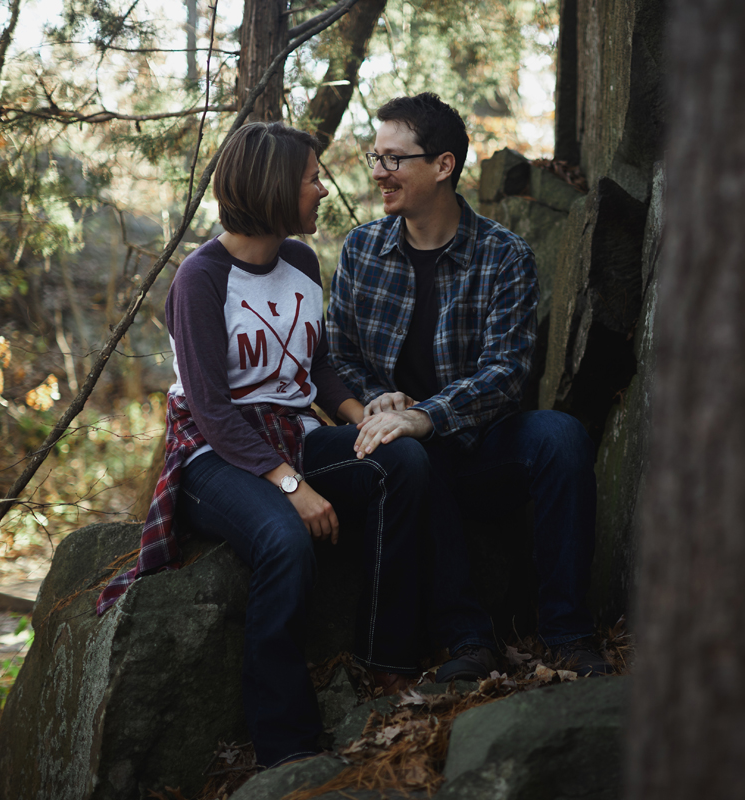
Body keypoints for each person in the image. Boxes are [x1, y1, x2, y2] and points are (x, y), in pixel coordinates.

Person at [97, 122, 429, 768]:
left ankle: (384, 659)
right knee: (283, 536)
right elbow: (214, 412)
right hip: (211, 456)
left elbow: (320, 368)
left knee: (403, 461)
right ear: (278, 189)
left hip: (294, 437)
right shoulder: (200, 279)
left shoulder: (303, 264)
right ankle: (285, 745)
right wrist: (292, 487)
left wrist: (367, 422)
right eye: (312, 180)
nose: (321, 191)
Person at [326, 93, 611, 680]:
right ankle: (468, 643)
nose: (378, 172)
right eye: (374, 157)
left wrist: (426, 413)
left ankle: (569, 635)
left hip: (482, 447)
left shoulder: (505, 256)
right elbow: (339, 354)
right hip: (406, 458)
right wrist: (379, 397)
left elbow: (507, 372)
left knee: (562, 438)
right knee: (409, 457)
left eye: (393, 160)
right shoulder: (362, 250)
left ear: (443, 165)